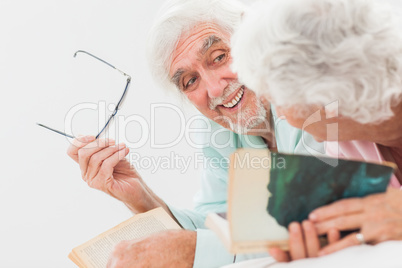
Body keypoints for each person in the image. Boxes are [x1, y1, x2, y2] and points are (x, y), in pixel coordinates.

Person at [67, 0, 323, 267]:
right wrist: (141, 197)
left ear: (252, 39)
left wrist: (191, 252)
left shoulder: (310, 93)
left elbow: (319, 222)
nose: (213, 89)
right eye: (190, 81)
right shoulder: (220, 132)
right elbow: (217, 227)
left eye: (219, 56)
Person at [231, 0, 402, 263]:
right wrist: (327, 241)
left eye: (278, 99)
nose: (283, 117)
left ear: (329, 96)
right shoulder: (343, 141)